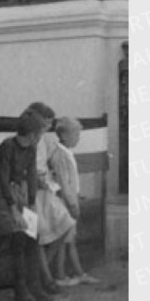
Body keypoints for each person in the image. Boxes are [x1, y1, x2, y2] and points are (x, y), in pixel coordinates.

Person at [0, 109, 52, 301]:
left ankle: (34, 286)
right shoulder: (7, 147)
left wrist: (31, 206)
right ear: (32, 134)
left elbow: (31, 176)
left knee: (31, 236)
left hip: (18, 194)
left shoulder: (31, 148)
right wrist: (13, 210)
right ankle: (19, 289)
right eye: (40, 134)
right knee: (10, 236)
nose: (40, 138)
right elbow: (3, 180)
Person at [26, 102, 75, 295]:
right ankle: (44, 279)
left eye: (48, 124)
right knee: (36, 236)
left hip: (46, 190)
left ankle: (39, 272)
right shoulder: (25, 138)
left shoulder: (46, 141)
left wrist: (52, 182)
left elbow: (52, 164)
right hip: (29, 192)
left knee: (66, 223)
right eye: (43, 123)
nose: (46, 128)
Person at [51, 116, 99, 286]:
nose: (78, 138)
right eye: (75, 134)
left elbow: (71, 182)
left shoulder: (66, 153)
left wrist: (76, 196)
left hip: (70, 201)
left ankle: (73, 273)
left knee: (69, 240)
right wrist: (72, 204)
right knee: (66, 240)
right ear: (63, 135)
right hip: (65, 204)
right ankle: (62, 275)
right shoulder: (60, 155)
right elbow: (64, 183)